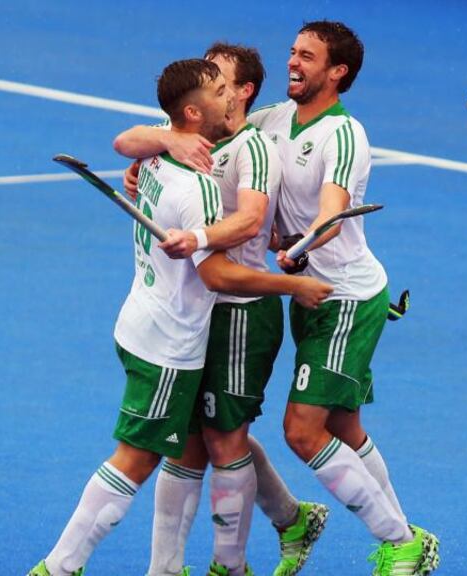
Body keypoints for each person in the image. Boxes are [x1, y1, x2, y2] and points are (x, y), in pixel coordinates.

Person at [27, 58, 332, 576]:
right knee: (136, 459)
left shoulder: (159, 156)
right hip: (170, 343)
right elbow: (216, 276)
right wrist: (293, 285)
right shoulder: (197, 188)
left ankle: (167, 569)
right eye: (218, 89)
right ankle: (59, 567)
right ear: (192, 112)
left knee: (193, 446)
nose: (229, 96)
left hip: (142, 323)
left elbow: (246, 218)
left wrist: (206, 229)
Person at [115, 43, 329, 576]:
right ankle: (170, 567)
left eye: (218, 77)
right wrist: (165, 141)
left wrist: (197, 235)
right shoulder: (192, 131)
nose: (208, 80)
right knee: (191, 437)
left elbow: (251, 221)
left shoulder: (254, 149)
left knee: (223, 435)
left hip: (240, 307)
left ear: (241, 92)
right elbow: (126, 139)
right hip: (196, 309)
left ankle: (229, 567)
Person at [246, 20, 440, 575]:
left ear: (338, 72)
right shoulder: (274, 120)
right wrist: (158, 148)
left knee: (303, 430)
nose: (293, 62)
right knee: (344, 429)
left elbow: (331, 215)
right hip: (309, 294)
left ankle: (400, 542)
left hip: (345, 298)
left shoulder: (344, 134)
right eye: (292, 51)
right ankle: (409, 543)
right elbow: (222, 135)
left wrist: (301, 245)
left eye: (307, 56)